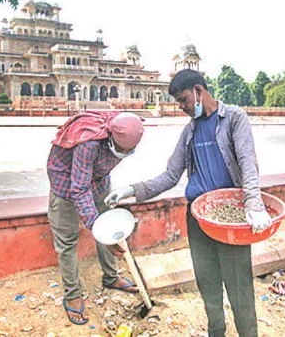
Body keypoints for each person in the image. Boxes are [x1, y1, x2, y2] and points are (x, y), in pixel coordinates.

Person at [105, 69, 272, 337]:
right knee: (208, 286)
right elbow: (171, 175)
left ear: (198, 90)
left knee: (239, 288)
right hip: (198, 219)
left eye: (182, 99)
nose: (181, 106)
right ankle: (215, 333)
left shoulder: (233, 119)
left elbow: (247, 164)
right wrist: (130, 190)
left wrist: (253, 205)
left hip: (231, 220)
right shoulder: (190, 131)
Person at [46, 111, 145, 325]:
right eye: (120, 150)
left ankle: (111, 277)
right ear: (110, 137)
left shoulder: (127, 127)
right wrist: (100, 233)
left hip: (98, 181)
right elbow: (79, 189)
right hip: (66, 184)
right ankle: (72, 294)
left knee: (107, 220)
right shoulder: (88, 143)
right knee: (67, 240)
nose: (123, 154)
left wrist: (106, 232)